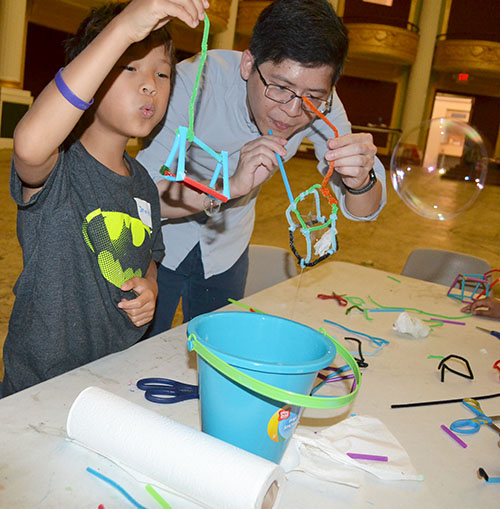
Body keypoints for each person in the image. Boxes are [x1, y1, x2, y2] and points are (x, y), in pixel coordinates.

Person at [137, 0, 387, 335]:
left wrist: (360, 180)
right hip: (159, 243)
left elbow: (364, 210)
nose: (292, 111)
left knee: (220, 352)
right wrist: (228, 185)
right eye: (280, 87)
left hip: (228, 249)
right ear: (248, 63)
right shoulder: (194, 82)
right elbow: (142, 193)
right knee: (141, 348)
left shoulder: (319, 103)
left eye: (312, 96)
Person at [2, 0, 209, 396]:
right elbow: (28, 146)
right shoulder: (59, 166)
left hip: (113, 376)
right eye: (129, 66)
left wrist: (150, 286)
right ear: (92, 75)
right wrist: (123, 28)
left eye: (163, 73)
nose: (151, 84)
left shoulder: (144, 183)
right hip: (40, 384)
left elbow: (151, 255)